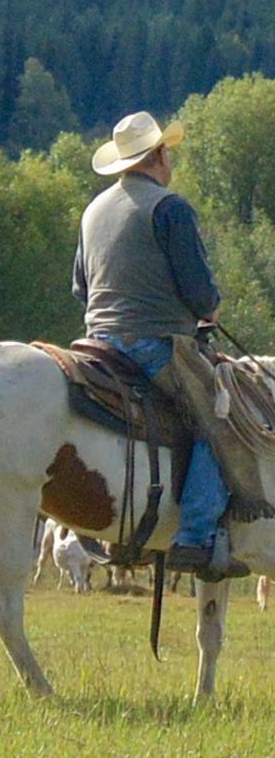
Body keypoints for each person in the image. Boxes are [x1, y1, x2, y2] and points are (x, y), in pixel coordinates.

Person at [73, 110, 260, 580]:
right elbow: (200, 294)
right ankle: (196, 537)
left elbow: (80, 288)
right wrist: (209, 310)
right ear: (158, 155)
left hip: (95, 344)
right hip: (154, 344)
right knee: (225, 418)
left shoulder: (93, 211)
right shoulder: (170, 208)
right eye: (167, 152)